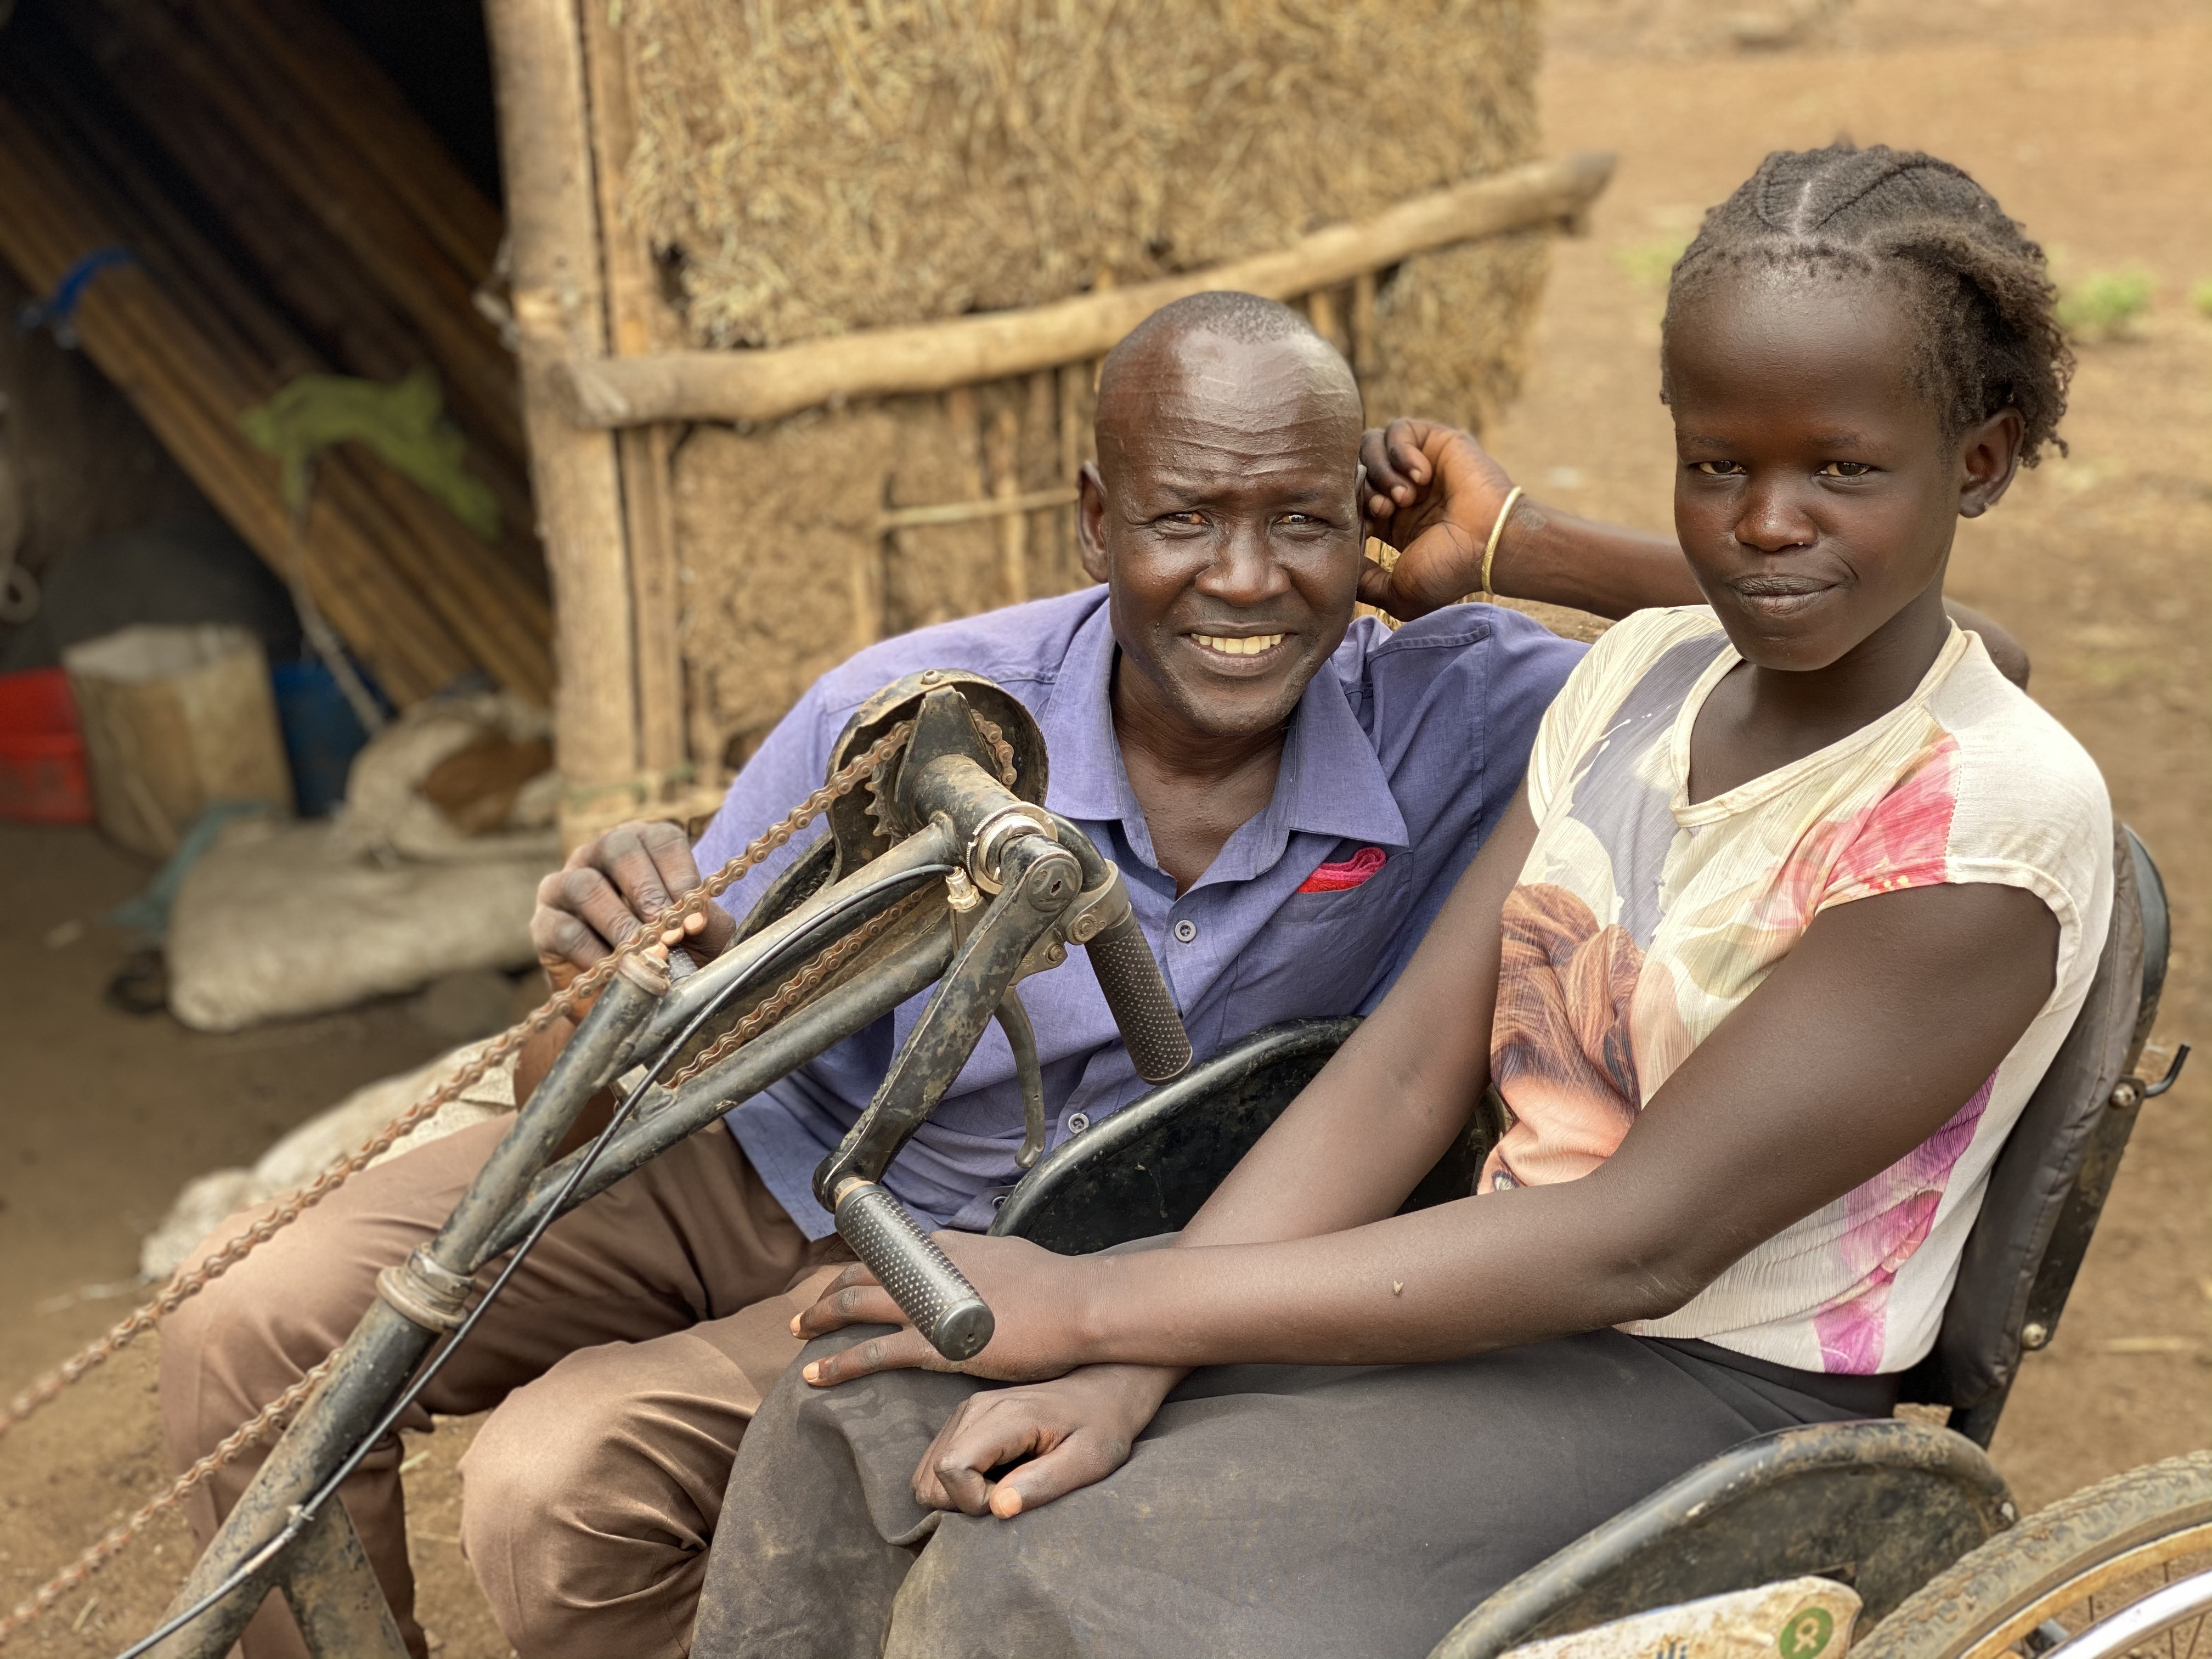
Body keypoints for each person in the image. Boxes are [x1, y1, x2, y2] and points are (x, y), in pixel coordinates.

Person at [160, 289, 2019, 1658]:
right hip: (750, 1148)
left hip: (1009, 1241)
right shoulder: (926, 710)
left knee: (556, 1486)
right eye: (1182, 520)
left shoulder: (1484, 710)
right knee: (255, 1321)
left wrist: (1516, 546)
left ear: (1363, 535)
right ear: (1091, 523)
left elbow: (1883, 639)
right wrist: (618, 935)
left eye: (1302, 522)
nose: (1244, 582)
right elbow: (668, 999)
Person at [689, 144, 2110, 1659]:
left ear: (1980, 458)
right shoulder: (1643, 685)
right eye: (1717, 464)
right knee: (868, 1405)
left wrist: (1112, 1314)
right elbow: (1404, 1071)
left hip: (1700, 1386)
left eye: (1840, 469)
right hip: (1489, 1297)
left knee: (1046, 1570)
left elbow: (1637, 1245)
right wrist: (1129, 1357)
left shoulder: (1982, 828)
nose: (1766, 522)